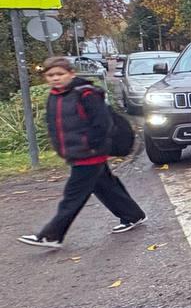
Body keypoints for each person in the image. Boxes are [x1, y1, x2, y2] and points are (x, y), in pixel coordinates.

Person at [18, 56, 145, 248]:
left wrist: (91, 145)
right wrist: (62, 149)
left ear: (71, 73)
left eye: (60, 74)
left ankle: (52, 235)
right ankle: (132, 215)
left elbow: (103, 124)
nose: (55, 78)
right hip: (76, 153)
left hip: (90, 153)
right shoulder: (55, 95)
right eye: (51, 75)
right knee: (104, 185)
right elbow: (55, 126)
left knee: (73, 195)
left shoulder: (86, 94)